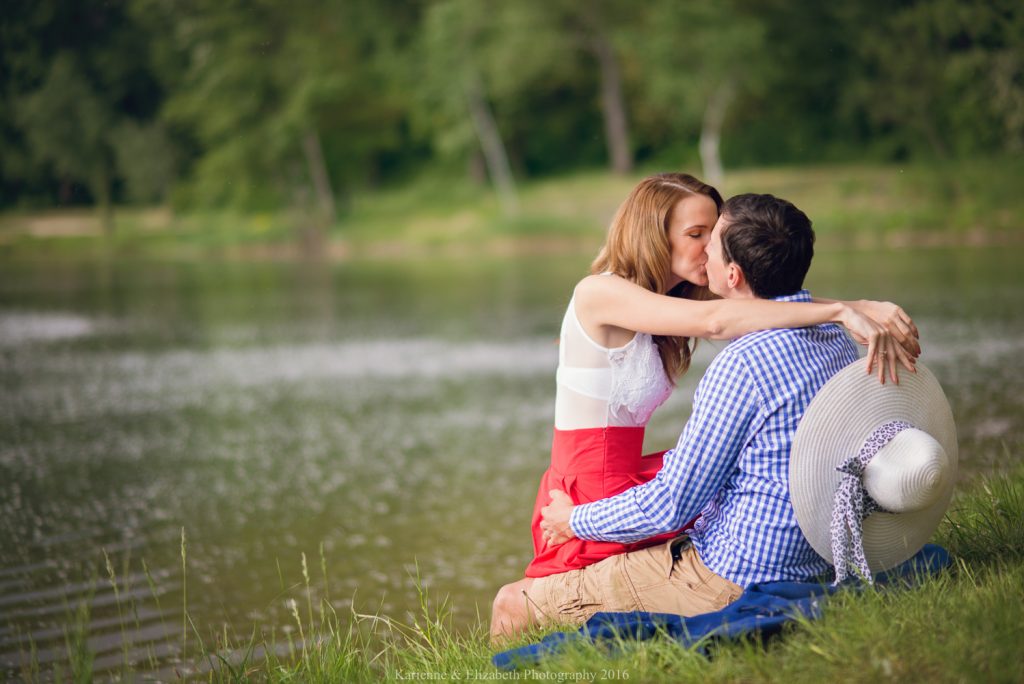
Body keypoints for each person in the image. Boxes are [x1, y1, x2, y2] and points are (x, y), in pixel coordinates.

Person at [491, 190, 915, 642]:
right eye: (695, 234)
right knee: (546, 599)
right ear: (654, 237)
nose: (704, 247)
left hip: (639, 481)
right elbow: (721, 317)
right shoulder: (600, 292)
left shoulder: (684, 298)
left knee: (569, 600)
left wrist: (847, 308)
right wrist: (844, 310)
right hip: (588, 485)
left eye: (711, 235)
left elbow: (763, 294)